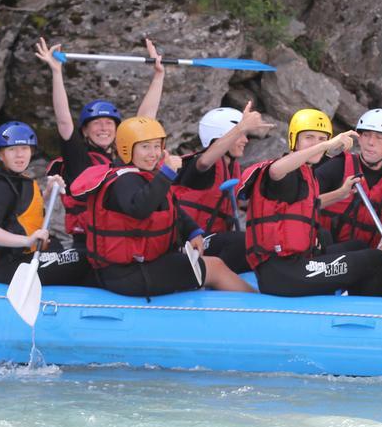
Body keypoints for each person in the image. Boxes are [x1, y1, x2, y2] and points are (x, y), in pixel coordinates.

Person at [74, 116, 254, 298]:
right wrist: (166, 173)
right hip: (128, 275)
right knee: (215, 267)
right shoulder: (124, 181)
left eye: (156, 146)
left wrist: (193, 232)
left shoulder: (144, 176)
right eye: (145, 147)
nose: (153, 153)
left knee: (215, 259)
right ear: (126, 148)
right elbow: (140, 208)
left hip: (139, 266)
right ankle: (261, 306)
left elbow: (172, 209)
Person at [242, 108, 382, 296]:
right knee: (376, 260)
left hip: (297, 264)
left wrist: (341, 193)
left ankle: (350, 303)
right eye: (309, 137)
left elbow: (308, 206)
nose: (317, 143)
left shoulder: (305, 172)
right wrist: (326, 145)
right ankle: (367, 314)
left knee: (359, 246)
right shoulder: (285, 172)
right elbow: (275, 171)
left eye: (322, 139)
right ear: (294, 139)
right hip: (283, 274)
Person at [37, 36, 166, 246]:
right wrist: (56, 72)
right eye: (97, 124)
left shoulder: (125, 156)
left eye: (109, 123)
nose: (104, 128)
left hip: (121, 237)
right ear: (85, 131)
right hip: (88, 241)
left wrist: (158, 76)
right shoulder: (78, 157)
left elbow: (145, 121)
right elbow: (63, 121)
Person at [0, 121, 90, 286]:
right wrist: (28, 240)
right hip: (12, 267)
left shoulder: (17, 180)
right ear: (1, 155)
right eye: (12, 149)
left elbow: (21, 211)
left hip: (25, 257)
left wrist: (49, 192)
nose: (19, 155)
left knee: (71, 250)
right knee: (84, 258)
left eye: (24, 148)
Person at [171, 101, 273, 273]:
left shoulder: (231, 168)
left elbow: (245, 202)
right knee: (240, 242)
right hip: (187, 244)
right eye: (240, 135)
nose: (245, 140)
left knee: (263, 239)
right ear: (220, 136)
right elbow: (204, 162)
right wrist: (240, 127)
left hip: (212, 240)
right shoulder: (198, 165)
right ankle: (204, 279)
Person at [315, 108, 382, 251]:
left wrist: (374, 261)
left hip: (360, 262)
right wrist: (339, 194)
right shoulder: (337, 166)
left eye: (379, 137)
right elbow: (302, 206)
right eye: (366, 135)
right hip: (323, 255)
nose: (370, 142)